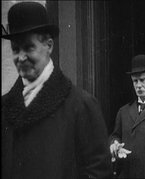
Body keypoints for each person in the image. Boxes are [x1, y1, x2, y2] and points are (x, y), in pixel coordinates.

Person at [1, 2, 112, 179]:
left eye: (29, 47)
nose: (21, 57)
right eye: (15, 49)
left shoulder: (81, 105)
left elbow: (99, 173)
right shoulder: (5, 107)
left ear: (49, 46)